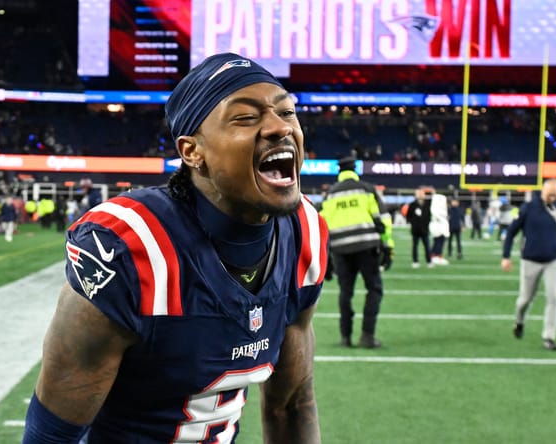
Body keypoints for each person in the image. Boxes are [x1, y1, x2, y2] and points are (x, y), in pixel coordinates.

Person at [23, 52, 328, 444]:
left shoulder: (304, 232)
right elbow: (53, 435)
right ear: (191, 151)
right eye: (246, 117)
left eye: (287, 112)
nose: (278, 127)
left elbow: (291, 405)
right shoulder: (132, 249)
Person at [501, 178, 556, 351]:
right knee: (525, 299)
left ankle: (549, 337)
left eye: (555, 194)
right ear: (543, 191)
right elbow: (511, 232)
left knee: (554, 298)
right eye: (549, 193)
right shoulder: (528, 208)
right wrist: (506, 256)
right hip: (530, 259)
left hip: (554, 260)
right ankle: (519, 321)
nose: (552, 197)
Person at [320, 156, 392, 349]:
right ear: (355, 170)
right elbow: (382, 219)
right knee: (374, 289)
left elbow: (322, 227)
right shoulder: (367, 189)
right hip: (367, 247)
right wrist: (387, 246)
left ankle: (345, 337)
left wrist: (325, 258)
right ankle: (367, 335)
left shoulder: (330, 194)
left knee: (345, 292)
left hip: (340, 249)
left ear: (340, 172)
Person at [406, 188, 431, 268]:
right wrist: (413, 223)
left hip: (425, 229)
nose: (420, 195)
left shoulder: (428, 204)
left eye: (421, 194)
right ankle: (415, 261)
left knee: (427, 246)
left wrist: (427, 224)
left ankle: (429, 261)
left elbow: (429, 216)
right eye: (419, 194)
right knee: (415, 246)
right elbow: (408, 216)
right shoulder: (412, 204)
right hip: (415, 229)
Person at [429, 192, 450, 265]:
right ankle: (436, 255)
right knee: (439, 240)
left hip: (439, 225)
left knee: (439, 240)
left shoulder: (437, 208)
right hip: (438, 225)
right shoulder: (436, 209)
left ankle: (436, 255)